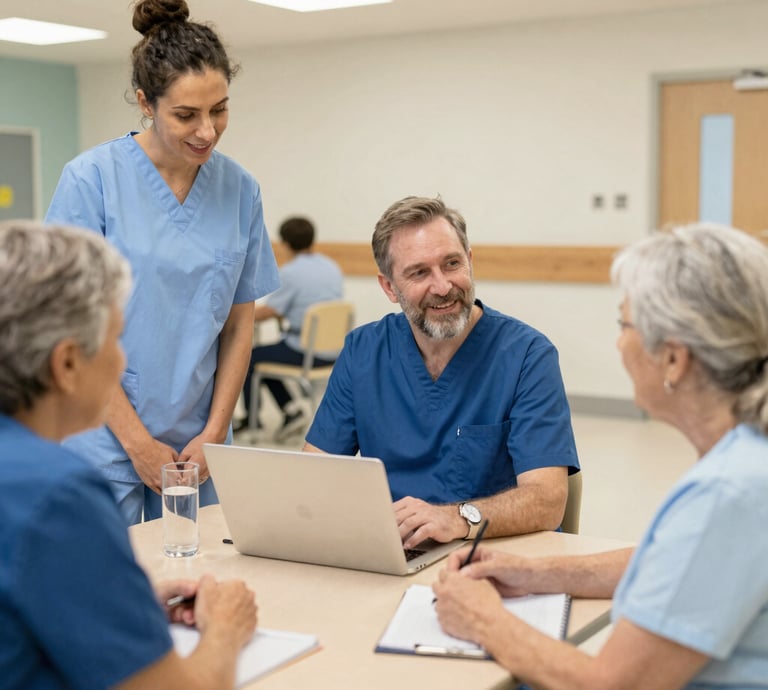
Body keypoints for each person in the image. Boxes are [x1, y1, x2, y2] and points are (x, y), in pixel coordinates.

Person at [433, 223, 768, 689]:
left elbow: (612, 686)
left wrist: (484, 620)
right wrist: (532, 572)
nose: (618, 343)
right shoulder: (748, 458)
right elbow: (673, 563)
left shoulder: (728, 494)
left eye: (623, 325)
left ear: (674, 359)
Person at [44, 0, 279, 525]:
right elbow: (69, 329)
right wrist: (136, 443)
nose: (207, 131)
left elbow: (240, 323)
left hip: (201, 444)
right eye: (186, 115)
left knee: (195, 591)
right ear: (146, 103)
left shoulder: (240, 190)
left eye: (219, 108)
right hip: (102, 439)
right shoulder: (91, 181)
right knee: (107, 595)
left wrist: (216, 432)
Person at [0, 220, 258, 690]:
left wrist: (116, 603)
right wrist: (225, 627)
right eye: (116, 341)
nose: (123, 361)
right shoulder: (59, 493)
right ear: (67, 364)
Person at [304, 196, 579, 549]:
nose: (443, 286)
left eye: (452, 264)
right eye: (419, 272)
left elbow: (547, 502)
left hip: (498, 553)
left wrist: (458, 518)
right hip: (397, 553)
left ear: (470, 261)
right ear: (389, 287)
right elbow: (314, 477)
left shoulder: (527, 355)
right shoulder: (364, 351)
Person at [239, 216, 343, 439]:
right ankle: (290, 410)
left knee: (249, 357)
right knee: (265, 357)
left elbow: (271, 312)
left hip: (305, 350)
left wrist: (236, 315)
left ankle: (252, 421)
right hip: (332, 351)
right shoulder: (330, 266)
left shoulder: (291, 272)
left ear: (285, 243)